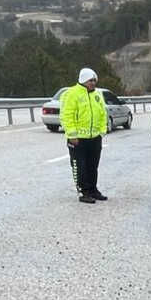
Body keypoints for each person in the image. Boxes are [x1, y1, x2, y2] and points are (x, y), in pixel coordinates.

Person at [61, 67, 108, 204]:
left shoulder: (97, 94)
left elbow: (102, 114)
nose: (93, 83)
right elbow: (67, 115)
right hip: (78, 139)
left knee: (93, 165)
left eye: (94, 80)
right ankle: (84, 191)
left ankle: (93, 189)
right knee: (80, 166)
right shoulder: (72, 94)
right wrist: (72, 135)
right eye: (90, 80)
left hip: (94, 137)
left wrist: (102, 131)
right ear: (83, 80)